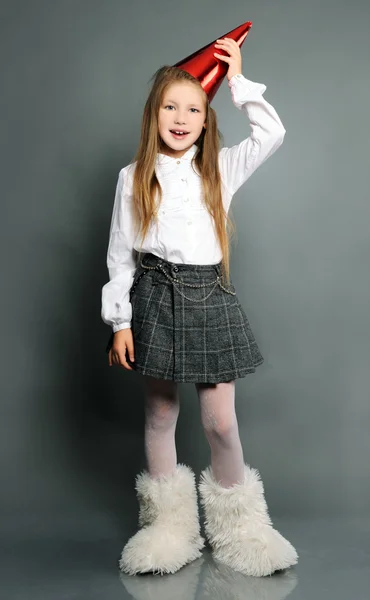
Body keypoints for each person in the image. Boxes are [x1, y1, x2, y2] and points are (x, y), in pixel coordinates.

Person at [101, 35, 298, 577]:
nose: (181, 117)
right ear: (154, 115)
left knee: (219, 422)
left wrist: (236, 82)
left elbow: (273, 133)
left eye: (193, 108)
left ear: (207, 120)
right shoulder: (131, 177)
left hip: (209, 296)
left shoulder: (222, 169)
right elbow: (120, 252)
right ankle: (168, 530)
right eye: (170, 106)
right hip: (153, 298)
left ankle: (243, 530)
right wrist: (120, 320)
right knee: (161, 413)